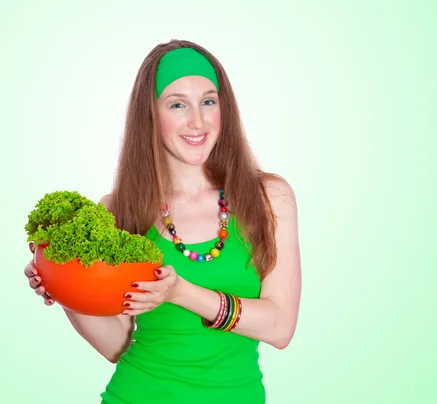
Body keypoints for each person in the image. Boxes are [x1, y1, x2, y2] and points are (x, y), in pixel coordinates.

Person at [23, 39, 302, 403]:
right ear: (152, 115)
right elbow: (116, 344)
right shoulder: (120, 209)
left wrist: (181, 293)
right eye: (177, 105)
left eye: (208, 101)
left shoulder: (268, 198)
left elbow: (280, 327)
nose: (197, 121)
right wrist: (65, 286)